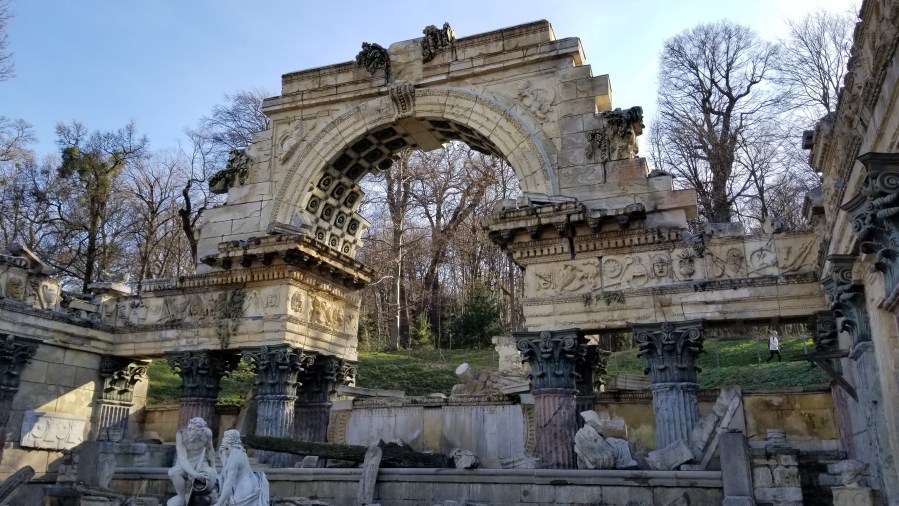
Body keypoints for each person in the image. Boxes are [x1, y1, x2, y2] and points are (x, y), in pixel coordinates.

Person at [168, 417, 218, 506]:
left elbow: (210, 450)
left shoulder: (206, 433)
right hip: (184, 462)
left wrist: (213, 467)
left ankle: (212, 496)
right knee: (173, 473)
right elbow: (183, 459)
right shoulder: (181, 435)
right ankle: (182, 499)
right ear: (190, 429)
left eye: (201, 431)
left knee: (209, 476)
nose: (200, 433)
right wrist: (195, 474)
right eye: (198, 431)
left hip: (200, 461)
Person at [214, 429, 270, 506]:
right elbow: (227, 472)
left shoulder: (234, 457)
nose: (222, 439)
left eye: (224, 438)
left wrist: (219, 503)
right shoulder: (240, 451)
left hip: (243, 489)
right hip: (248, 484)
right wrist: (223, 456)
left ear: (227, 440)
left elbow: (228, 484)